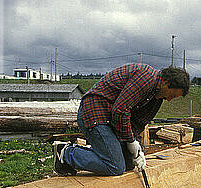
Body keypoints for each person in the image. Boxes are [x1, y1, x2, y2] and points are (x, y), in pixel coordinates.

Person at [52, 63, 190, 176]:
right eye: (172, 94)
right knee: (115, 166)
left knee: (128, 164)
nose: (170, 99)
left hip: (110, 119)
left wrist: (137, 148)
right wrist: (130, 141)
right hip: (95, 113)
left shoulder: (158, 96)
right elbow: (120, 110)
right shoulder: (146, 78)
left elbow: (138, 122)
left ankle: (98, 151)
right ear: (166, 82)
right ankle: (66, 153)